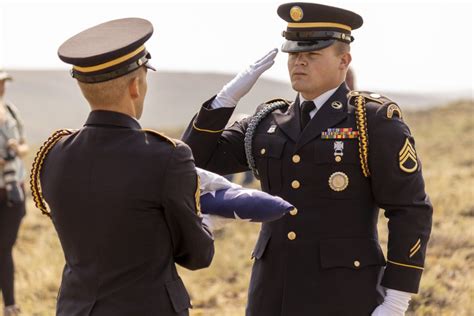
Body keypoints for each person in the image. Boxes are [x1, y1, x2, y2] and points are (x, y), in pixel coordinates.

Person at [182, 3, 433, 315]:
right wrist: (224, 101)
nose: (299, 61)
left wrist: (396, 299)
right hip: (272, 293)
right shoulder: (267, 120)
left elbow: (410, 209)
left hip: (344, 294)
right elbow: (191, 160)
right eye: (293, 53)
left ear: (344, 60)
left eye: (312, 54)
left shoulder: (372, 121)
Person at [30, 18, 214, 316]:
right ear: (135, 86)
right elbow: (197, 256)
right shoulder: (167, 157)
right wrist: (208, 221)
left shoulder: (53, 154)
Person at [0, 69, 28, 316]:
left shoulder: (11, 111)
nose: (2, 87)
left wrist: (17, 149)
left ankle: (10, 305)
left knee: (4, 246)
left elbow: (25, 145)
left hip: (13, 191)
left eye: (3, 83)